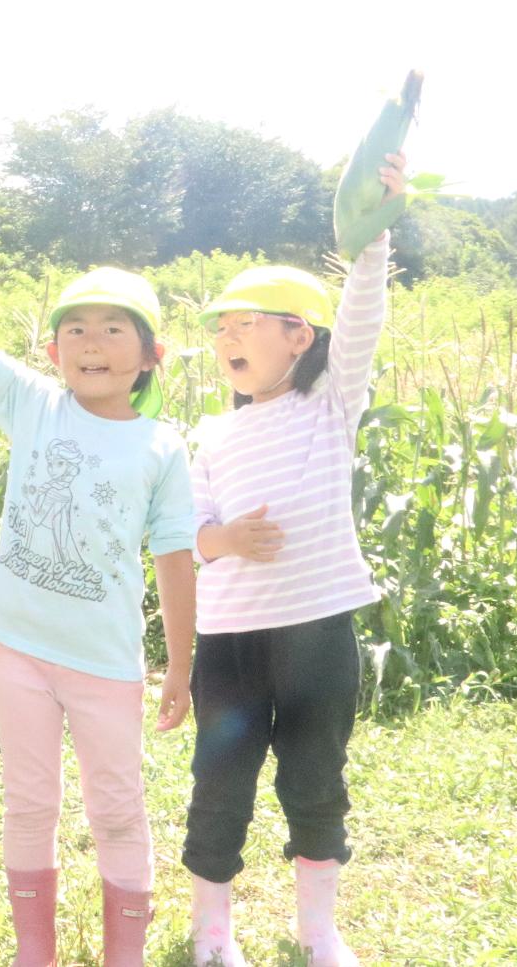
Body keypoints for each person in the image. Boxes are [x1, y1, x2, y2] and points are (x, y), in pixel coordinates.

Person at [0, 213, 197, 967]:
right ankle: (35, 954)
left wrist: (181, 665)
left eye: (114, 329)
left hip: (104, 662)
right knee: (28, 801)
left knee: (117, 810)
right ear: (53, 353)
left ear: (151, 355)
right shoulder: (33, 401)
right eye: (76, 330)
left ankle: (125, 954)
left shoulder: (162, 445)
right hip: (19, 647)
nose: (92, 342)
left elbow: (176, 557)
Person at [180, 151, 406, 967]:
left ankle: (319, 930)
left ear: (298, 337)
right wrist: (228, 540)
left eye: (246, 324)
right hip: (231, 640)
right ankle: (213, 934)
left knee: (316, 779)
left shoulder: (328, 402)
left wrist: (373, 232)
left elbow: (365, 313)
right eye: (221, 328)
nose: (227, 338)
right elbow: (189, 535)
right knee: (221, 785)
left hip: (316, 632)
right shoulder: (207, 435)